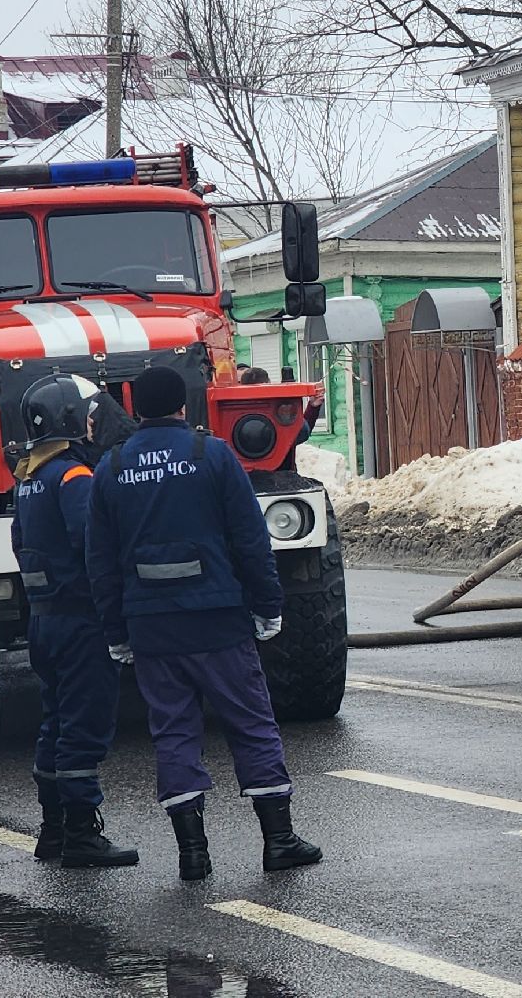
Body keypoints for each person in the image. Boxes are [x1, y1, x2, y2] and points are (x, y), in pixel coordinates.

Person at [86, 364, 321, 880]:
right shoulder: (212, 455)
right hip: (218, 622)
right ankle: (278, 840)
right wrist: (268, 605)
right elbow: (250, 539)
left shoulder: (111, 467)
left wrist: (116, 631)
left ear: (136, 409)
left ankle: (193, 855)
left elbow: (99, 561)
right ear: (182, 406)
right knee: (251, 723)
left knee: (173, 732)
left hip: (151, 627)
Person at [12, 373, 138, 869]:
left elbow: (20, 544)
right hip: (81, 623)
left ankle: (54, 831)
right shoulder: (73, 477)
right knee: (84, 728)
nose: (93, 423)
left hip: (44, 622)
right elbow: (95, 548)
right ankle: (82, 834)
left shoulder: (28, 480)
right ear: (69, 420)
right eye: (87, 416)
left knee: (55, 723)